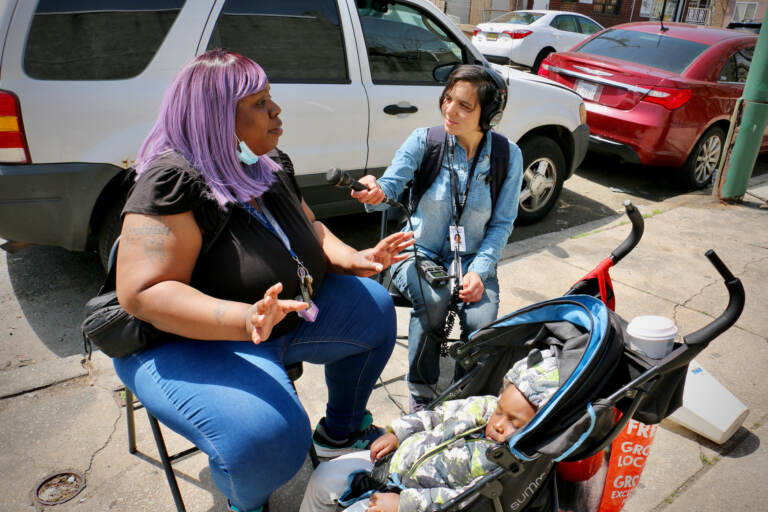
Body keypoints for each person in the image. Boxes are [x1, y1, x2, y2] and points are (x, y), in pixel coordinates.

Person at [112, 49, 413, 512]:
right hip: (186, 341)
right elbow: (142, 292)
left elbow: (309, 228)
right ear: (214, 116)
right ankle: (246, 502)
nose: (276, 111)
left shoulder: (267, 162)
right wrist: (242, 317)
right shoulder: (173, 180)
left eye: (270, 98)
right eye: (258, 103)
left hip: (278, 319)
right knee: (268, 439)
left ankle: (341, 431)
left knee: (374, 309)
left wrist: (353, 258)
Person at [352, 65, 524, 411]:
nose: (450, 110)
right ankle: (422, 389)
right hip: (417, 250)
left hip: (474, 258)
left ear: (488, 114)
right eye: (447, 99)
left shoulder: (509, 156)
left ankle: (464, 397)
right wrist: (375, 193)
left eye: (464, 106)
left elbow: (502, 224)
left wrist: (480, 270)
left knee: (482, 322)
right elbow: (389, 188)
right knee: (433, 302)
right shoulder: (424, 141)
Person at [300, 349, 560, 512]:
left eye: (515, 422)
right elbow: (436, 415)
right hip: (394, 461)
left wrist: (403, 505)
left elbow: (461, 499)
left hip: (414, 500)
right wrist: (398, 433)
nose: (499, 423)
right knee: (324, 476)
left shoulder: (504, 462)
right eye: (500, 411)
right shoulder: (485, 406)